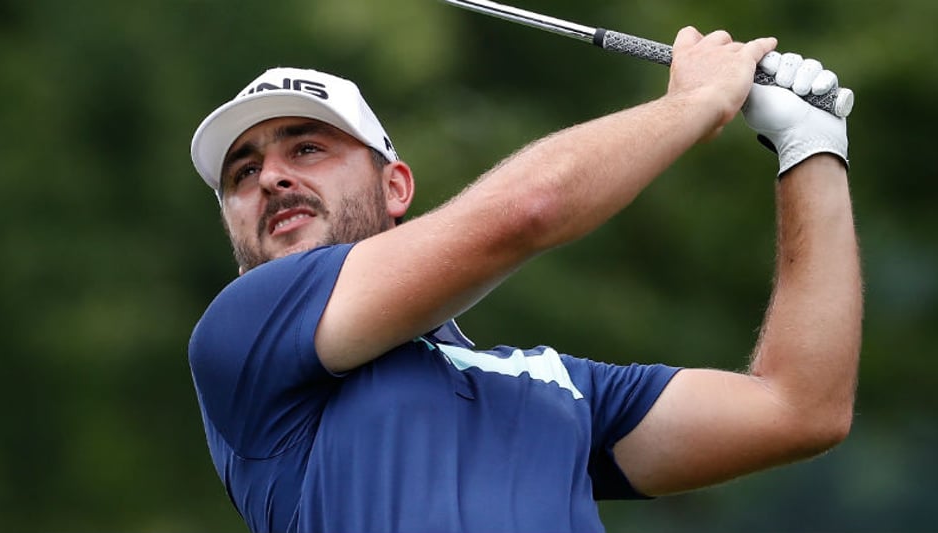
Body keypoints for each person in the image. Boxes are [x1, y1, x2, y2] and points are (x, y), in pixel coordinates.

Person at [187, 26, 860, 533]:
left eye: (307, 148)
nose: (270, 177)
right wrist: (698, 102)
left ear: (395, 187)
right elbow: (524, 212)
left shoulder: (554, 386)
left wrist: (811, 148)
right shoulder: (243, 331)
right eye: (242, 173)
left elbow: (799, 407)